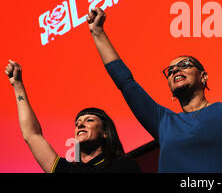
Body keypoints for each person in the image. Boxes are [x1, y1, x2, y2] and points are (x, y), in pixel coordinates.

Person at [86, 8, 222, 173]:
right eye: (170, 71)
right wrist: (98, 33)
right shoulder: (164, 122)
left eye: (185, 64)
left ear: (203, 77)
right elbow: (126, 83)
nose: (176, 69)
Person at [4, 60, 141, 173]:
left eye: (89, 120)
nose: (80, 125)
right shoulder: (68, 170)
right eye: (77, 123)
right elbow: (32, 135)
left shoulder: (123, 166)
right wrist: (18, 85)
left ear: (105, 132)